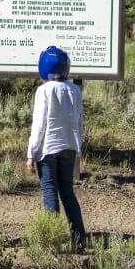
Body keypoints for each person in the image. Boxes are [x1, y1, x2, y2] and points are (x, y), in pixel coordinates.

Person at [26, 45, 87, 251]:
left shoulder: (43, 91)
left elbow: (39, 124)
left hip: (48, 149)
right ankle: (79, 239)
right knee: (68, 192)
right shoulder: (75, 90)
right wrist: (78, 148)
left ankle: (53, 241)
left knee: (50, 192)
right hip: (69, 147)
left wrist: (31, 153)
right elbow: (79, 121)